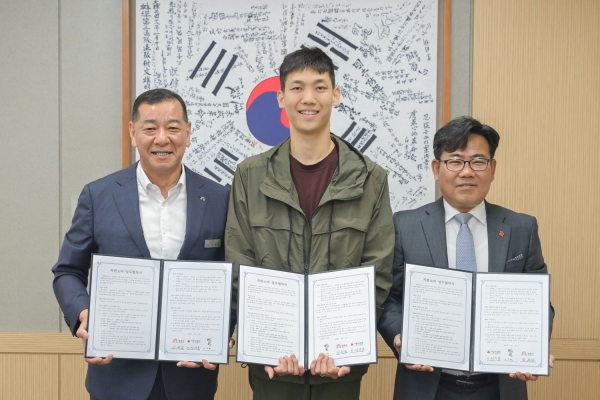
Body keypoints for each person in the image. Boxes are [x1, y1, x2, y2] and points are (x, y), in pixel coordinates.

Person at [225, 47, 394, 400]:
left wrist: (345, 349)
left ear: (336, 95)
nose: (308, 98)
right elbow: (239, 263)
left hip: (339, 368)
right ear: (281, 97)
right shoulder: (250, 175)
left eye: (319, 87)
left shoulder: (370, 178)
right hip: (272, 366)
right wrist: (268, 344)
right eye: (297, 88)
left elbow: (377, 271)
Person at [52, 88, 232, 400]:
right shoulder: (99, 195)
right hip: (116, 375)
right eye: (150, 128)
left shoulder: (220, 198)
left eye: (173, 127)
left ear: (188, 133)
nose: (162, 139)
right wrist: (83, 312)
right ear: (133, 133)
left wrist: (224, 328)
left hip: (190, 378)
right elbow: (67, 271)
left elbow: (234, 278)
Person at [378, 116, 555, 400]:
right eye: (455, 161)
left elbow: (538, 303)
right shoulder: (405, 225)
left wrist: (533, 347)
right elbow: (390, 298)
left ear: (492, 169)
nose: (467, 172)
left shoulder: (522, 228)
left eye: (478, 161)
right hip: (426, 385)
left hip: (499, 386)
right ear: (436, 169)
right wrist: (399, 336)